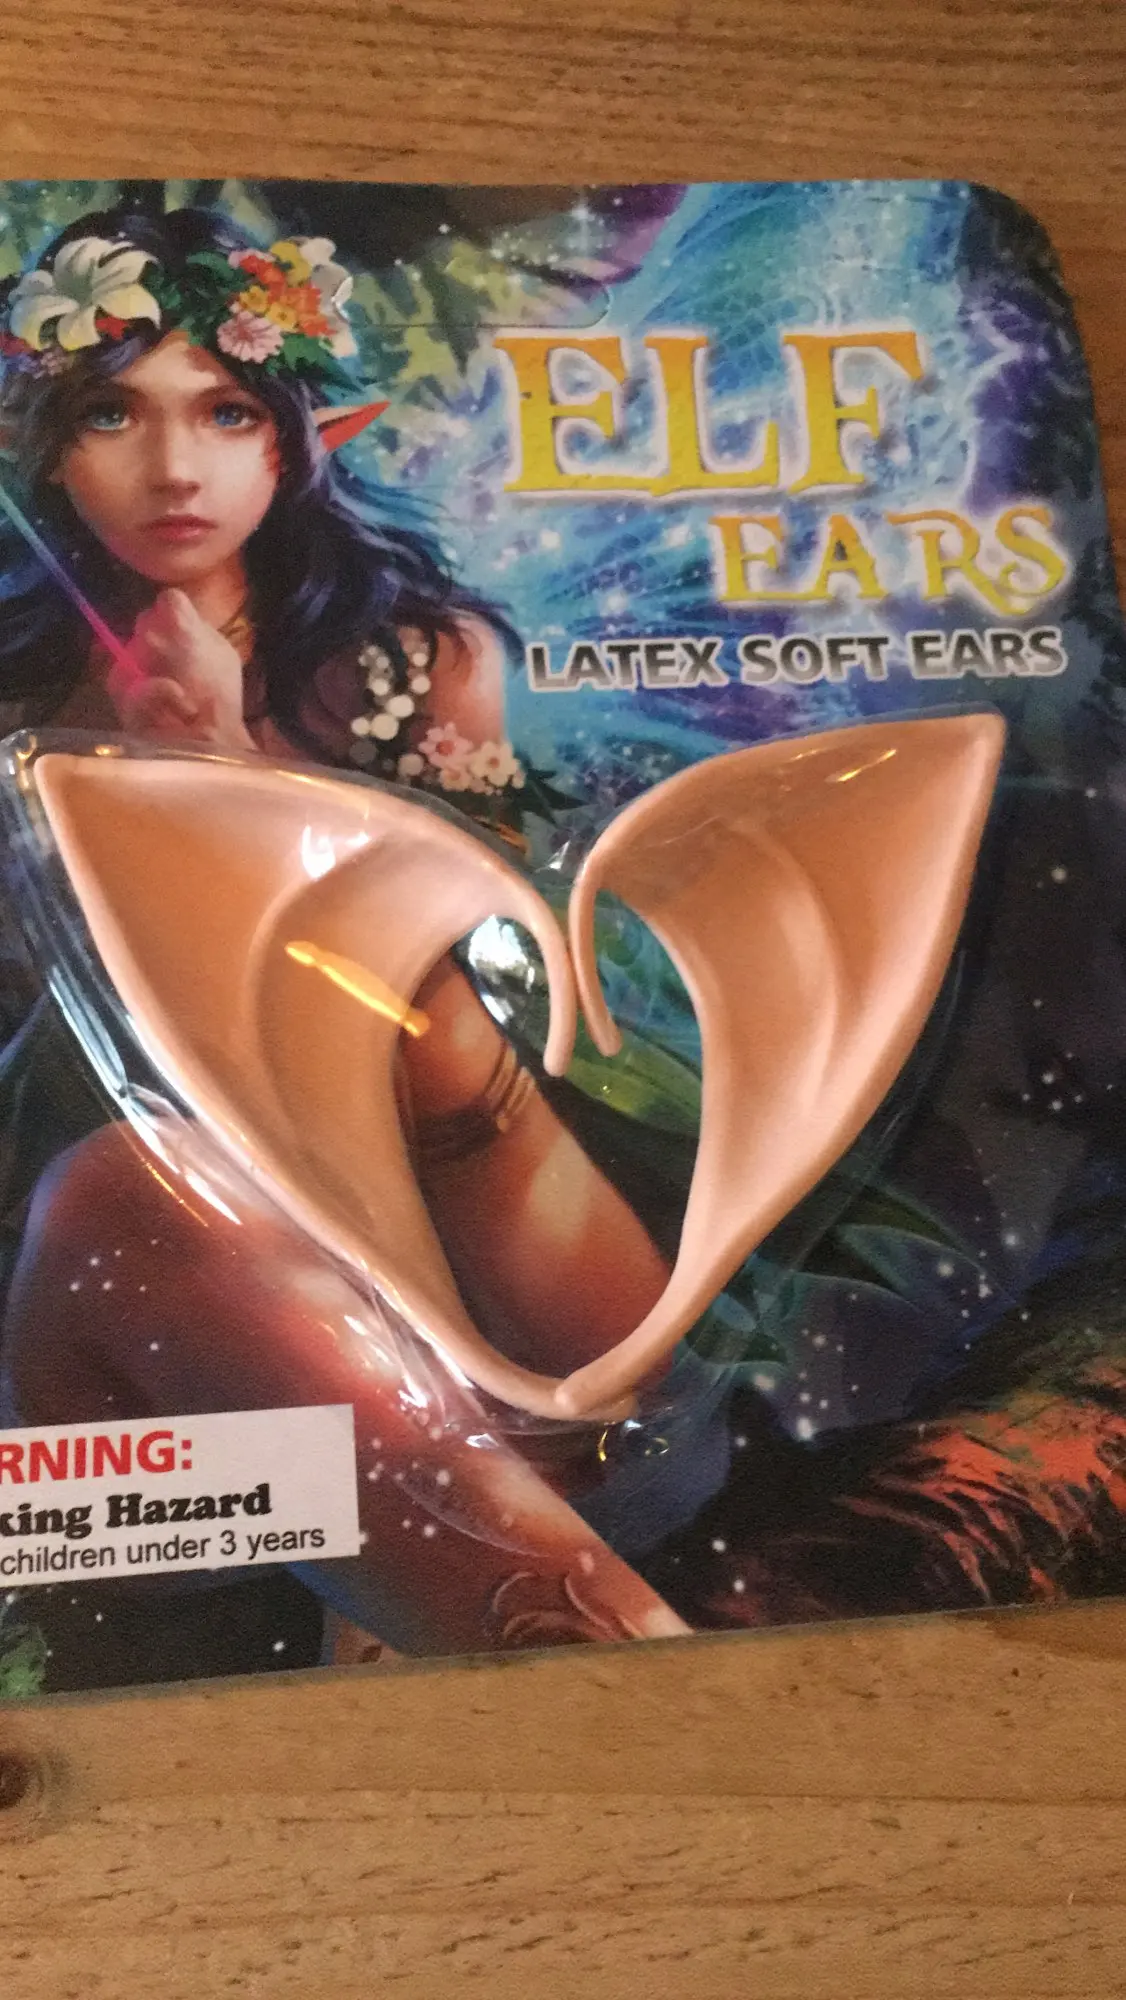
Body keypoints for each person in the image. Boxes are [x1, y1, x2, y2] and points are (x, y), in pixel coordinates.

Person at [0, 201, 685, 1675]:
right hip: (124, 1336)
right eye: (113, 412)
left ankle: (510, 1603)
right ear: (46, 444)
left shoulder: (414, 662)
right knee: (137, 1179)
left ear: (295, 437)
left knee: (414, 1017)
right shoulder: (17, 694)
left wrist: (237, 779)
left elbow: (501, 995)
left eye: (227, 412)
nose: (175, 470)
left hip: (496, 1269)